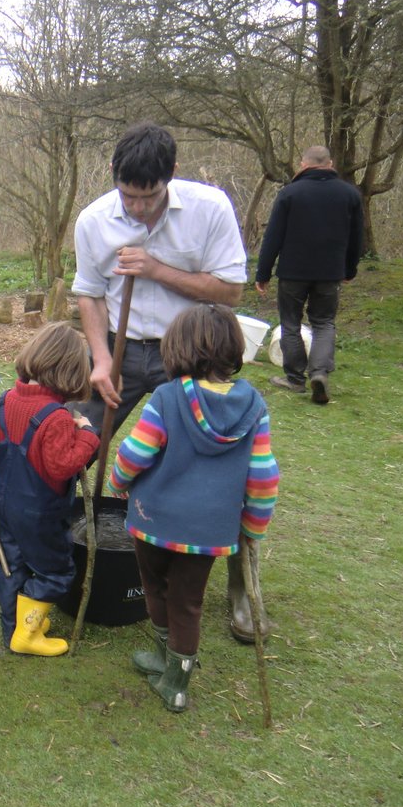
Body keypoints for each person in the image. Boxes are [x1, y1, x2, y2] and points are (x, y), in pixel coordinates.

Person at [70, 122, 269, 644]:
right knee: (74, 438)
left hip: (194, 355)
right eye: (128, 197)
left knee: (217, 463)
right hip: (119, 349)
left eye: (149, 197)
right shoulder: (94, 220)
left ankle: (239, 586)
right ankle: (46, 536)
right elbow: (88, 293)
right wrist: (97, 360)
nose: (137, 208)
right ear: (115, 179)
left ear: (171, 176)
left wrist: (156, 269)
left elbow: (229, 290)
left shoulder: (210, 209)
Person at [108, 304, 278, 712]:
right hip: (211, 532)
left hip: (154, 522)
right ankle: (175, 675)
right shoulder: (253, 406)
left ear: (177, 348)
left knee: (155, 588)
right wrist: (253, 526)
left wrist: (118, 482)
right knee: (189, 601)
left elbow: (135, 452)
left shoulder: (168, 398)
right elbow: (264, 476)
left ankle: (172, 667)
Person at [0, 323, 100, 656]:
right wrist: (88, 436)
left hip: (4, 503)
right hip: (40, 513)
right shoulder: (57, 417)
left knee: (11, 562)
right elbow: (62, 465)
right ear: (72, 373)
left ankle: (12, 625)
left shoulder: (6, 401)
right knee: (55, 569)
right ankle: (27, 634)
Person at [255, 145, 364, 405]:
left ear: (303, 165)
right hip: (329, 273)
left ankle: (294, 379)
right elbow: (356, 238)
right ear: (331, 163)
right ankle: (319, 372)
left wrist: (263, 273)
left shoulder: (290, 193)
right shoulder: (350, 194)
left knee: (291, 322)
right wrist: (350, 269)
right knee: (324, 322)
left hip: (293, 272)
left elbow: (273, 237)